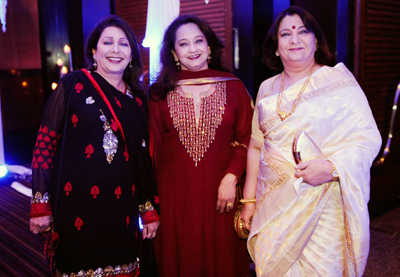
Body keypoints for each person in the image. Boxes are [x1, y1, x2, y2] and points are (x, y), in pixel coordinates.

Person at [240, 6, 382, 277]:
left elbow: (366, 139)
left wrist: (331, 168)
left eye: (303, 31)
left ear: (316, 42)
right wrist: (249, 201)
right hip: (274, 206)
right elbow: (257, 146)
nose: (295, 39)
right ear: (276, 48)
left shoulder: (339, 83)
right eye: (285, 34)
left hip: (324, 204)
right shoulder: (266, 88)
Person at [29, 15, 160, 276]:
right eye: (108, 42)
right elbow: (45, 146)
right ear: (94, 51)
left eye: (123, 44)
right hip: (76, 203)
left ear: (132, 54)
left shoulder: (137, 102)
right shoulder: (73, 85)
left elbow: (143, 163)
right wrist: (39, 205)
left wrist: (148, 209)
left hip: (122, 207)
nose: (115, 50)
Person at [149, 14, 253, 277]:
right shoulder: (159, 93)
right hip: (175, 198)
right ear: (173, 52)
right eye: (183, 44)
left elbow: (248, 138)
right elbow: (153, 150)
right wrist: (151, 203)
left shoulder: (233, 87)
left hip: (223, 195)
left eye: (198, 41)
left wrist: (232, 176)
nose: (192, 49)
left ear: (209, 47)